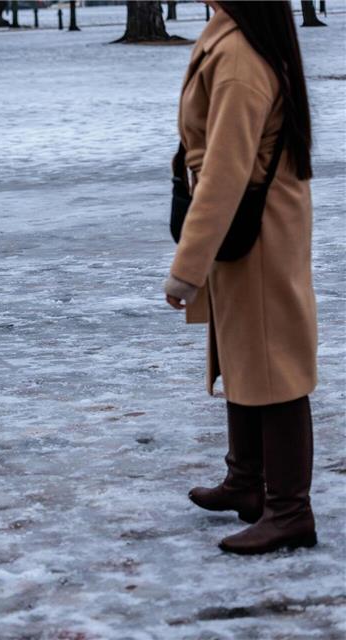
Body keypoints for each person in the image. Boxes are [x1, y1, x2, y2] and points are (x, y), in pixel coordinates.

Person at [164, 1, 318, 555]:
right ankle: (247, 482)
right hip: (255, 222)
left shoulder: (237, 54)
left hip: (253, 227)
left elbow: (226, 174)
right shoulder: (234, 37)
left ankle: (289, 511)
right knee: (246, 350)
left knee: (273, 364)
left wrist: (186, 269)